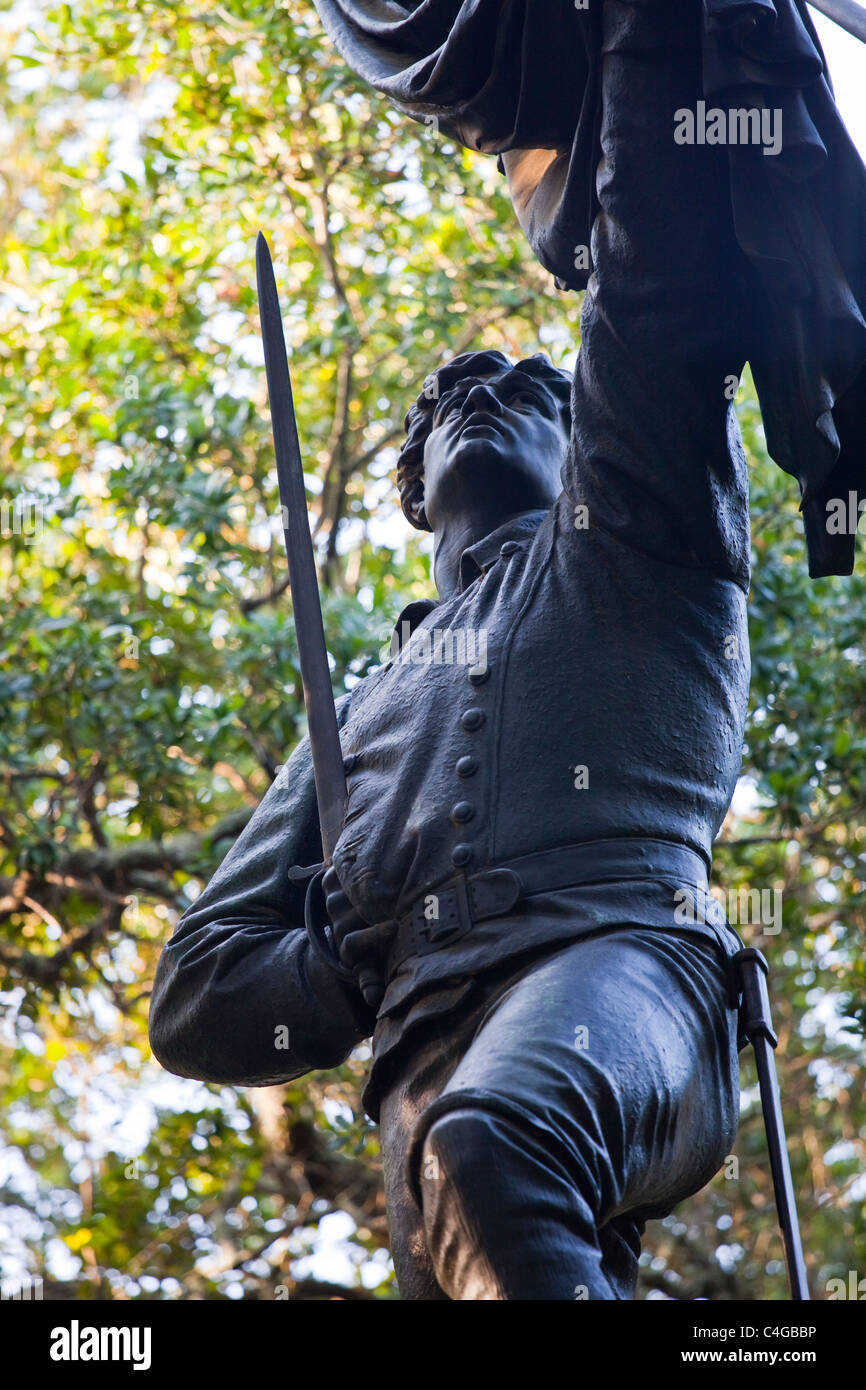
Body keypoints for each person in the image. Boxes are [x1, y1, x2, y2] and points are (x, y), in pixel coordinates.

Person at [149, 0, 857, 1297]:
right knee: (479, 1154)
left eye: (523, 390)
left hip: (627, 984)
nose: (480, 390)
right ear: (413, 486)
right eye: (449, 402)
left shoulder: (631, 518)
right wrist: (342, 954)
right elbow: (198, 991)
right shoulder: (357, 716)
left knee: (503, 1136)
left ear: (574, 431)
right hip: (424, 1084)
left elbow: (653, 269)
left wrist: (643, 29)